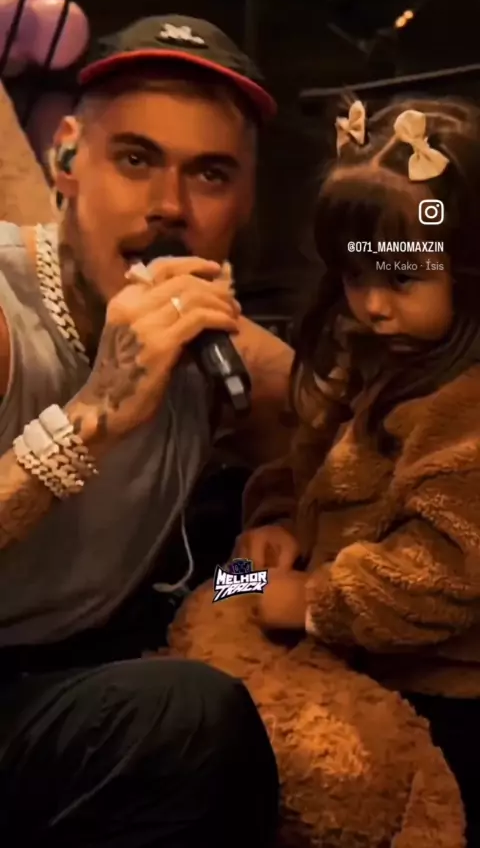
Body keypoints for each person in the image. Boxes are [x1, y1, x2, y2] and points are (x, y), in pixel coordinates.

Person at [0, 14, 287, 846]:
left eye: (210, 174)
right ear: (65, 160)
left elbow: (338, 494)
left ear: (245, 203)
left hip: (87, 661)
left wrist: (267, 545)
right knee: (183, 714)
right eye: (135, 160)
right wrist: (96, 412)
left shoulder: (228, 355)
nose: (169, 207)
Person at [235, 96, 480, 845]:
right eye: (354, 276)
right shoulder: (367, 352)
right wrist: (273, 520)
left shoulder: (466, 406)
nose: (371, 305)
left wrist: (312, 600)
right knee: (217, 594)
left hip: (442, 691)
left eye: (401, 280)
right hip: (327, 617)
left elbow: (443, 576)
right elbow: (307, 459)